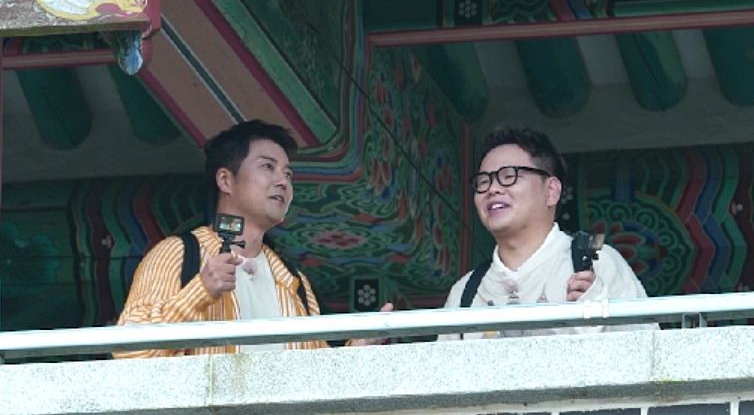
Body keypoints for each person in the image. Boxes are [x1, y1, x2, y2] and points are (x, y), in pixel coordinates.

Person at [115, 120, 389, 358]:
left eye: (288, 174)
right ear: (225, 180)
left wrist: (356, 351)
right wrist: (201, 291)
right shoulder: (179, 253)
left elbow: (313, 375)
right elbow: (129, 351)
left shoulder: (293, 280)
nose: (283, 182)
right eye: (268, 166)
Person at [440, 126, 657, 340]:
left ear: (551, 191)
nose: (492, 189)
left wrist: (600, 314)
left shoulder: (598, 264)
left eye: (509, 176)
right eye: (483, 181)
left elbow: (650, 351)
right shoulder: (465, 292)